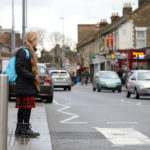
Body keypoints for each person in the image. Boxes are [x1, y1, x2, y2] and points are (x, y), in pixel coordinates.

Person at [15, 32, 40, 137]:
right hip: (25, 84)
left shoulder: (28, 51)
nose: (37, 41)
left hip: (24, 84)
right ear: (32, 40)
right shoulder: (24, 52)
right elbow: (19, 68)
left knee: (22, 107)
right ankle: (25, 128)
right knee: (26, 107)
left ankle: (19, 128)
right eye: (36, 39)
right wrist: (33, 76)